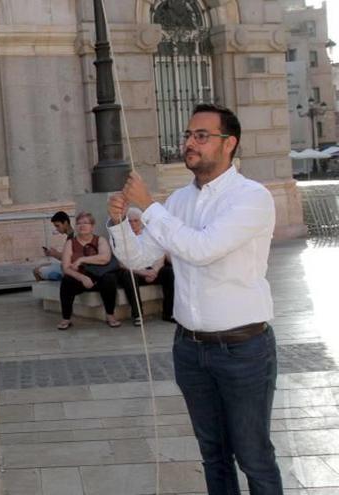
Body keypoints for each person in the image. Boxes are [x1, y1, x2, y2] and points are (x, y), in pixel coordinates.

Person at [107, 103, 281, 494]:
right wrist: (119, 224)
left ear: (229, 143)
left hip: (244, 349)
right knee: (213, 454)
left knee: (254, 455)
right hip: (190, 348)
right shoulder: (179, 201)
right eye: (188, 135)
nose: (190, 142)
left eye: (201, 136)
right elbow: (139, 258)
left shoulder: (251, 198)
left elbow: (202, 249)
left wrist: (149, 207)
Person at [56, 212, 121, 330]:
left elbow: (105, 258)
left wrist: (81, 260)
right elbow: (66, 268)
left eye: (86, 223)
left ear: (92, 226)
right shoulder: (70, 243)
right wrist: (82, 277)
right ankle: (66, 318)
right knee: (66, 281)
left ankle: (110, 315)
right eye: (79, 223)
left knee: (109, 279)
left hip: (99, 277)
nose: (82, 226)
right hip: (80, 279)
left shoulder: (100, 240)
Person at [116, 207, 175, 326]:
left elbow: (160, 255)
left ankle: (169, 312)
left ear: (142, 221)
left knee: (170, 272)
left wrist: (155, 271)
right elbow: (122, 263)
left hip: (152, 269)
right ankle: (137, 314)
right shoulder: (122, 238)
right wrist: (144, 272)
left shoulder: (151, 235)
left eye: (136, 221)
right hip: (135, 271)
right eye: (129, 221)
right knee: (128, 275)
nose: (132, 224)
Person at [32, 211, 74, 282]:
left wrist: (55, 254)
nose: (57, 229)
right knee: (43, 265)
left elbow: (69, 259)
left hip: (68, 270)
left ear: (65, 223)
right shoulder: (70, 236)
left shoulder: (73, 238)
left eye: (58, 226)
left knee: (36, 271)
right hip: (66, 267)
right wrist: (53, 254)